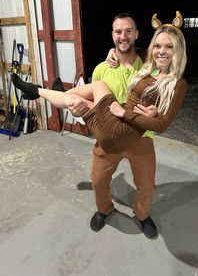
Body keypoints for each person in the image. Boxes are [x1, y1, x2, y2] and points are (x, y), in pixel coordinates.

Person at [12, 12, 188, 238]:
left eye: (128, 31)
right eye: (118, 32)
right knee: (98, 179)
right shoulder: (101, 69)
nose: (123, 37)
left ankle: (142, 215)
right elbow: (92, 105)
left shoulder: (147, 62)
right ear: (112, 36)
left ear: (137, 34)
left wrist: (152, 113)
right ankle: (104, 209)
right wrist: (76, 111)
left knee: (146, 185)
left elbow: (164, 68)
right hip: (109, 130)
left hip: (141, 139)